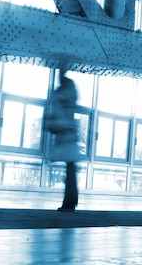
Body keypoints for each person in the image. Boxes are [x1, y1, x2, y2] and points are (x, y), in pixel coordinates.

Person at [46, 71, 81, 212]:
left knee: (70, 172)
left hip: (67, 139)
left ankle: (70, 202)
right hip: (70, 138)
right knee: (71, 171)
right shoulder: (69, 100)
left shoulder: (62, 99)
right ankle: (71, 202)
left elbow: (58, 118)